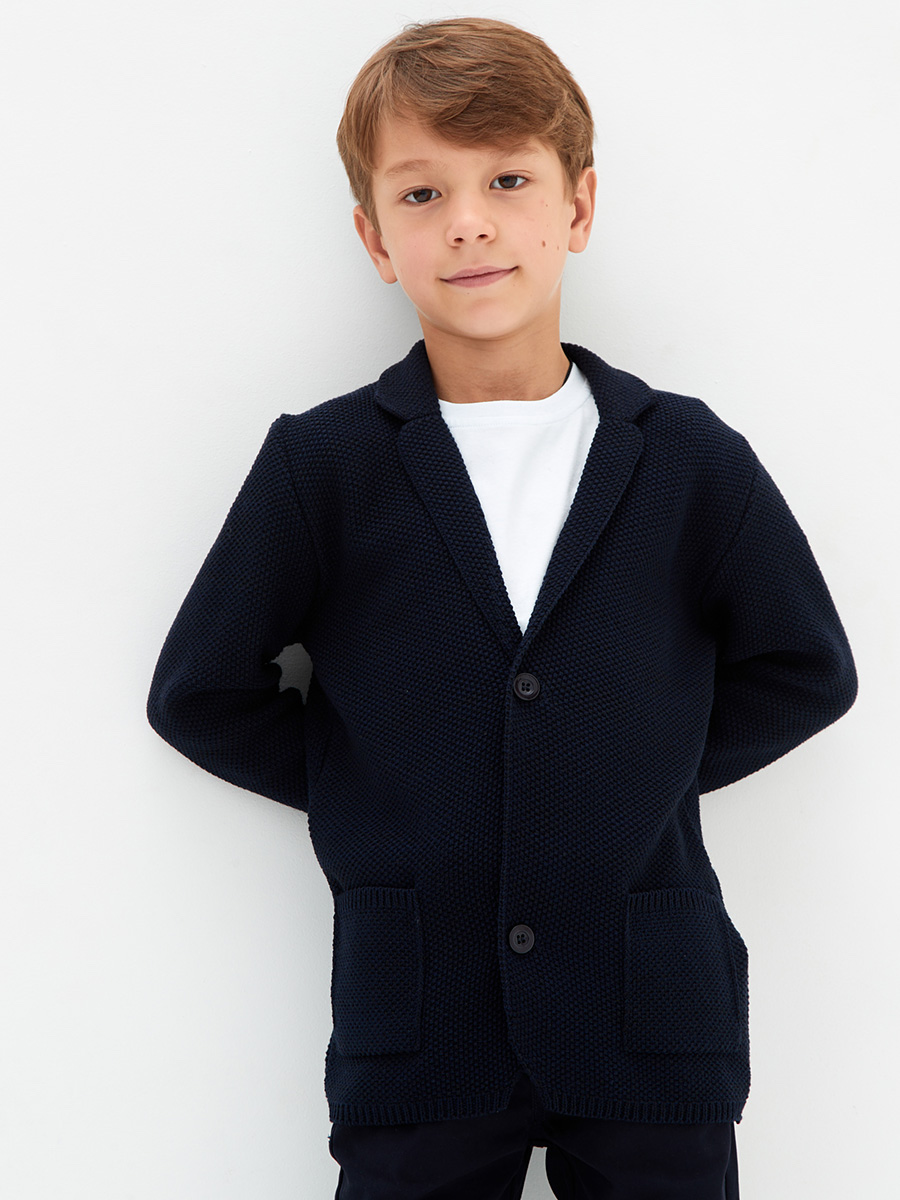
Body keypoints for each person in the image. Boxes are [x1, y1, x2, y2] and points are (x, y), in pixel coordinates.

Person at [146, 17, 858, 1199]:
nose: (468, 221)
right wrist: (381, 784)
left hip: (647, 1018)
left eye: (509, 181)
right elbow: (199, 693)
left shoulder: (689, 460)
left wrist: (633, 772)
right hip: (422, 1022)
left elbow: (809, 670)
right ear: (375, 238)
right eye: (423, 193)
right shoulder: (323, 468)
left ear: (579, 207)